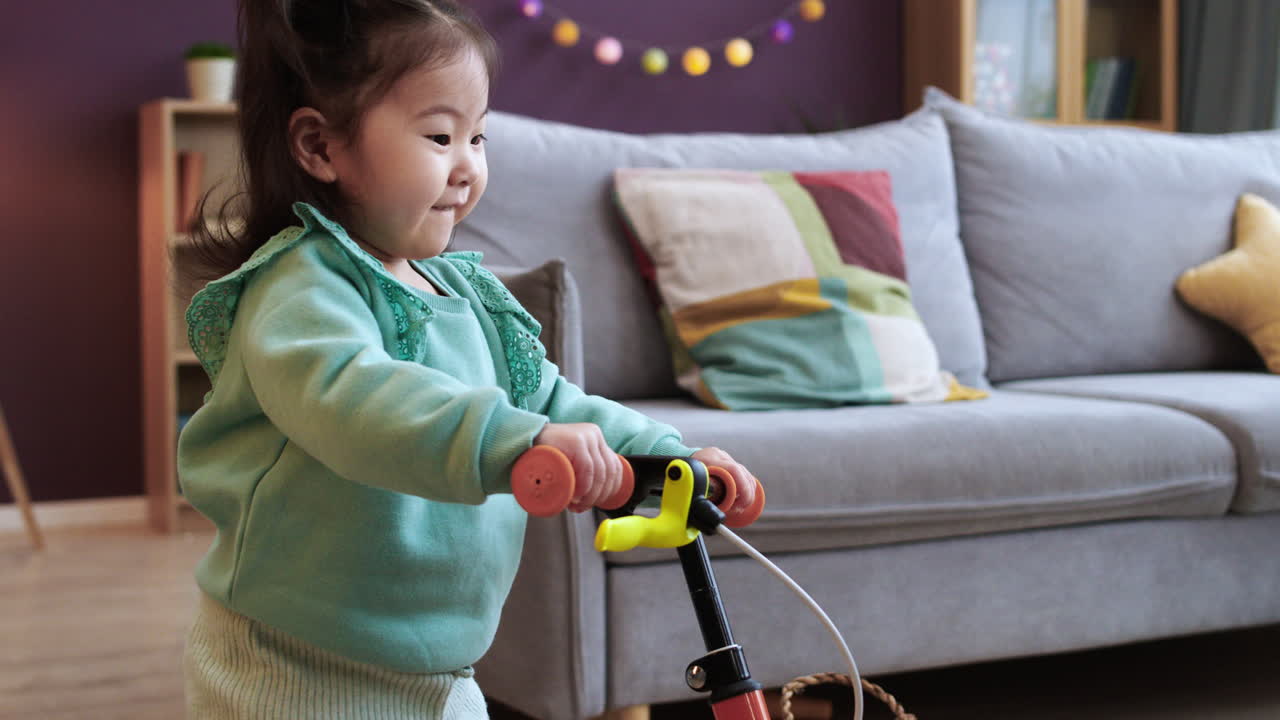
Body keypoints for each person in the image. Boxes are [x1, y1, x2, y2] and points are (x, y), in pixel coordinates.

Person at [177, 1, 759, 717]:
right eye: (440, 135)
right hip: (294, 662)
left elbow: (550, 400)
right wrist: (519, 441)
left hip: (443, 667)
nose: (467, 167)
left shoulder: (468, 294)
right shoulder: (300, 288)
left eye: (477, 138)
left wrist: (666, 455)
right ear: (321, 148)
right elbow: (357, 403)